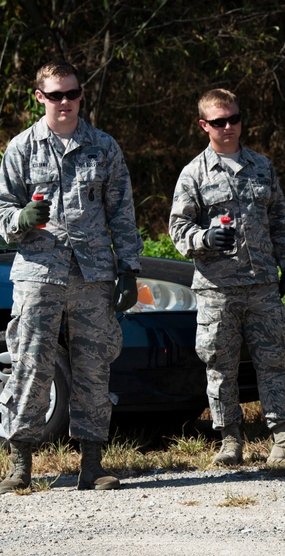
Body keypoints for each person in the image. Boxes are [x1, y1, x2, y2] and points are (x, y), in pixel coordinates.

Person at [0, 61, 143, 493]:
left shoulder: (104, 148)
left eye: (72, 93)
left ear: (82, 94)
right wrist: (21, 218)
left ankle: (93, 464)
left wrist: (129, 268)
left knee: (93, 368)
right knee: (30, 363)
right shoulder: (22, 148)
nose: (66, 102)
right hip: (39, 273)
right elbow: (2, 211)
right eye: (56, 95)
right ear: (39, 96)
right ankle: (20, 464)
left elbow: (122, 213)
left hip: (93, 274)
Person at [169, 89, 285, 468]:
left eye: (235, 119)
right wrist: (204, 238)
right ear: (203, 125)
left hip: (261, 285)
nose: (229, 127)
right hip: (217, 289)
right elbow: (178, 230)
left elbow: (278, 222)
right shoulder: (194, 173)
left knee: (274, 361)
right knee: (220, 366)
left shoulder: (261, 167)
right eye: (219, 121)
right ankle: (229, 441)